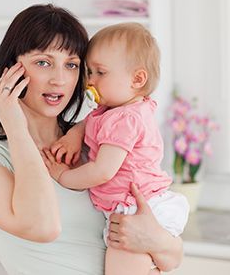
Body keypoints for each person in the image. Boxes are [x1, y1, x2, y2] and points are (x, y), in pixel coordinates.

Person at [0, 4, 184, 275]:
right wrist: (15, 125)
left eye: (72, 65)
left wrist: (156, 239)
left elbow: (173, 256)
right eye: (43, 62)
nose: (59, 79)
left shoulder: (95, 141)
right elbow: (42, 226)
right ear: (10, 69)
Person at [42, 23, 189, 275]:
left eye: (100, 72)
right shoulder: (117, 110)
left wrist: (62, 176)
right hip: (136, 207)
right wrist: (76, 133)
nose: (90, 80)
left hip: (135, 210)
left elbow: (102, 171)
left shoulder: (125, 119)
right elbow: (93, 120)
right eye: (89, 71)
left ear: (137, 79)